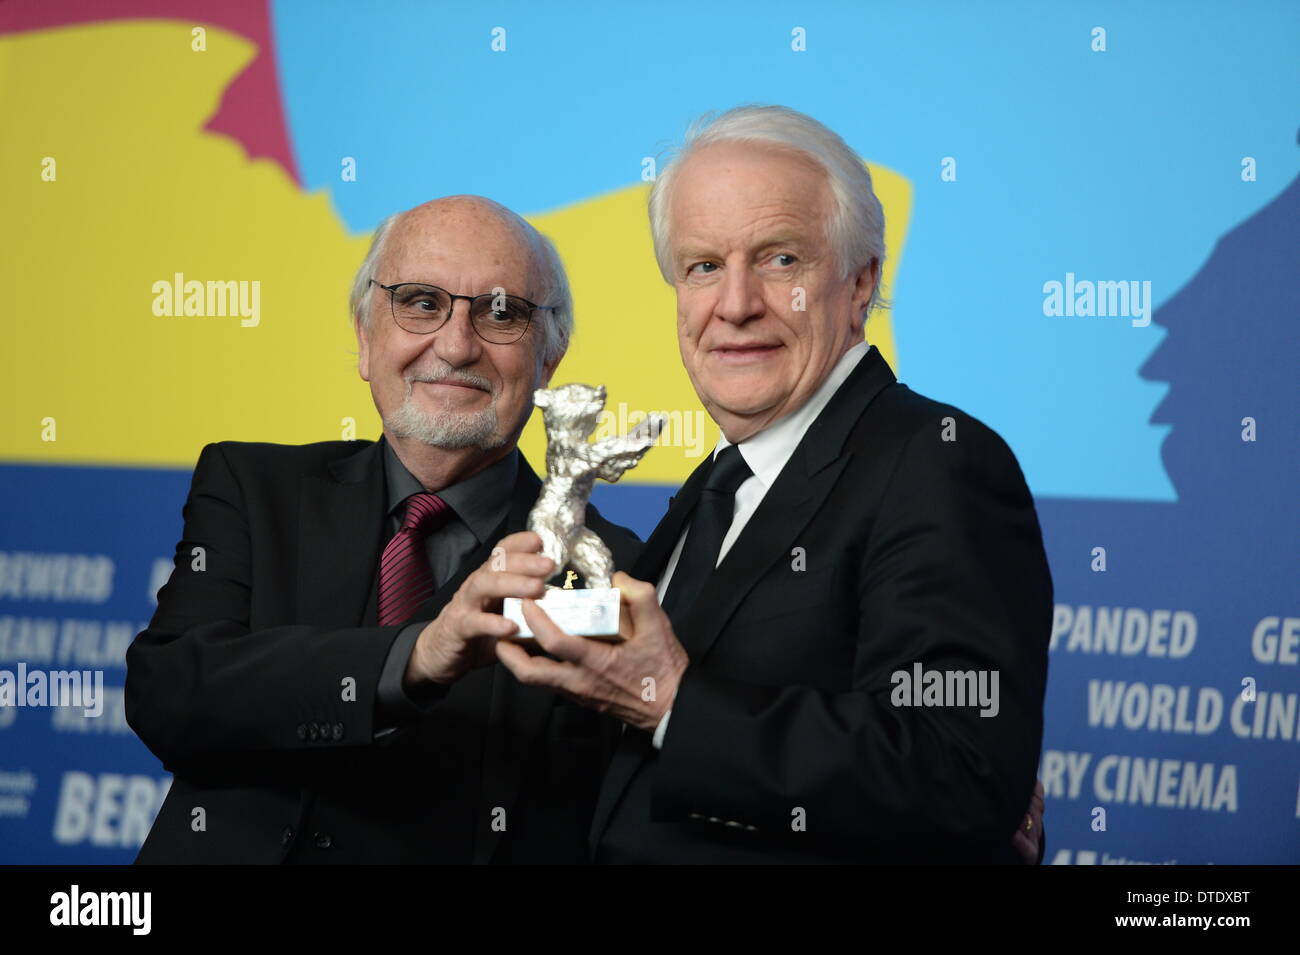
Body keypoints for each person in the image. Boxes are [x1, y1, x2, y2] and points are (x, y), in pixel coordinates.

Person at [497, 106, 1054, 863]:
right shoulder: (723, 477)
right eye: (703, 266)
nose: (735, 304)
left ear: (861, 283)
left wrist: (673, 702)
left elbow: (956, 770)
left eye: (780, 259)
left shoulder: (939, 463)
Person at [124, 196, 638, 863]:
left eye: (501, 312)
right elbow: (169, 694)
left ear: (550, 357)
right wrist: (413, 660)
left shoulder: (608, 571)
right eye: (421, 302)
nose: (456, 345)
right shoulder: (253, 488)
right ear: (366, 338)